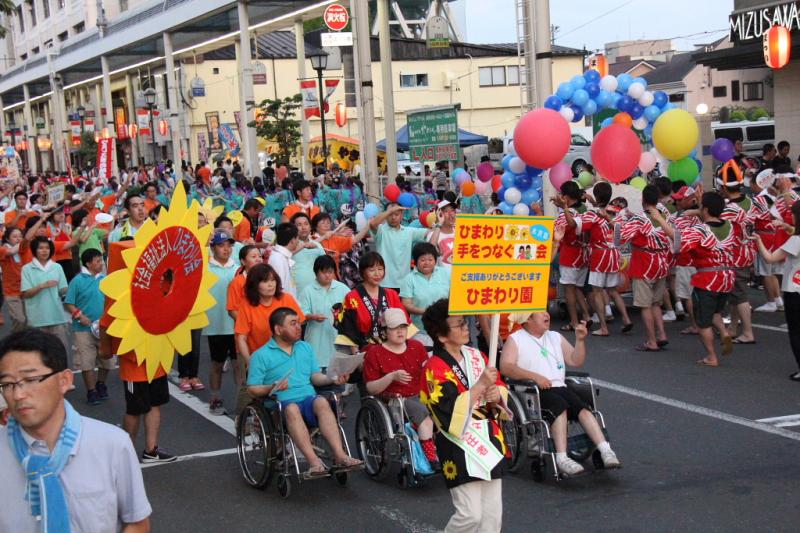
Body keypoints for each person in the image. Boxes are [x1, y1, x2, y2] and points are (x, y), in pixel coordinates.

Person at [0, 328, 152, 532]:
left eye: (30, 380)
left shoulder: (112, 444)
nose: (18, 394)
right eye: (8, 384)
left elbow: (136, 521)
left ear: (64, 381)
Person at [420, 299, 508, 533]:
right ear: (441, 336)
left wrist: (495, 394)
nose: (466, 327)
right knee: (470, 515)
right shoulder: (434, 367)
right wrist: (480, 386)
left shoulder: (477, 355)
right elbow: (445, 410)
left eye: (464, 322)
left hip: (488, 437)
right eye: (459, 325)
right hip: (458, 442)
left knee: (491, 515)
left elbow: (499, 386)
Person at [499, 311, 620, 476]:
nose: (546, 314)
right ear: (527, 320)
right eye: (540, 313)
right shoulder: (516, 339)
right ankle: (562, 458)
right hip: (532, 390)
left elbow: (575, 360)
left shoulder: (555, 336)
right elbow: (506, 367)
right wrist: (535, 377)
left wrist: (580, 340)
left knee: (582, 407)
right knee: (559, 406)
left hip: (559, 386)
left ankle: (605, 449)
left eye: (545, 311)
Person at [247, 307, 363, 476]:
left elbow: (315, 376)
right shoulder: (261, 355)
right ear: (278, 329)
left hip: (307, 399)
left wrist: (332, 378)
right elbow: (252, 388)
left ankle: (340, 455)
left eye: (299, 323)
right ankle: (314, 461)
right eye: (293, 324)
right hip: (280, 405)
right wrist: (271, 387)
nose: (298, 327)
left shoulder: (305, 348)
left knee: (322, 401)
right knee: (292, 408)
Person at [665, 190, 736, 367]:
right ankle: (724, 332)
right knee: (716, 311)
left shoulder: (701, 230)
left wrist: (659, 220)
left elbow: (678, 240)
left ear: (704, 209)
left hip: (708, 278)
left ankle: (711, 356)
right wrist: (700, 211)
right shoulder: (729, 226)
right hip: (727, 277)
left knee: (703, 322)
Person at [363, 308, 439, 468]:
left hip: (421, 393)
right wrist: (391, 376)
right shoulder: (375, 353)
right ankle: (430, 457)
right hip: (395, 399)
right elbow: (370, 387)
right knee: (422, 413)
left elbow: (427, 371)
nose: (400, 331)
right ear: (384, 331)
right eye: (394, 328)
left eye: (403, 327)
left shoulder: (417, 346)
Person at [618, 185, 671, 352]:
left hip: (644, 263)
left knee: (645, 304)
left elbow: (620, 237)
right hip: (661, 262)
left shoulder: (640, 219)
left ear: (643, 200)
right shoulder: (665, 216)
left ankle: (651, 341)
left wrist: (616, 220)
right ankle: (662, 334)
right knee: (656, 302)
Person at [752, 199, 800, 381]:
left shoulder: (796, 241)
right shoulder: (795, 235)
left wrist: (758, 241)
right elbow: (792, 230)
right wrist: (786, 227)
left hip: (794, 290)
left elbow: (770, 258)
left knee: (796, 331)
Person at [577, 182, 633, 336]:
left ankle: (603, 327)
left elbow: (581, 228)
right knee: (613, 290)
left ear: (595, 195)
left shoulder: (592, 214)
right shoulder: (616, 211)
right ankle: (627, 319)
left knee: (597, 291)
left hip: (599, 254)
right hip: (614, 253)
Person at [64, 249, 113, 405]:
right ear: (88, 263)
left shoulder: (105, 280)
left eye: (101, 260)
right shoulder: (77, 281)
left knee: (107, 360)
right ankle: (91, 391)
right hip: (83, 329)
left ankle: (101, 384)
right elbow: (69, 303)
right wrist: (79, 315)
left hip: (104, 328)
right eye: (97, 261)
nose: (101, 264)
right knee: (86, 361)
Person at [234, 263, 305, 366]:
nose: (271, 285)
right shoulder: (246, 305)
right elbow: (241, 338)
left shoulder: (287, 299)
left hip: (288, 358)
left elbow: (299, 328)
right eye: (265, 281)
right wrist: (250, 363)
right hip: (260, 361)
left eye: (273, 280)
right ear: (254, 284)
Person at [203, 230, 242, 416]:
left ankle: (242, 402)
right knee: (217, 363)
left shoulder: (238, 268)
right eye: (221, 245)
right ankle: (215, 397)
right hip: (216, 324)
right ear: (213, 247)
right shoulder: (206, 267)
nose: (226, 249)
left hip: (237, 323)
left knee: (238, 364)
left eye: (229, 245)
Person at [338, 252, 408, 350]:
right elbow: (348, 329)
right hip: (366, 350)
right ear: (362, 272)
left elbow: (404, 323)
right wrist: (356, 355)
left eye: (380, 269)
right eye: (372, 270)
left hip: (392, 349)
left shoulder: (392, 294)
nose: (377, 274)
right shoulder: (351, 297)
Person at [552, 181, 592, 331]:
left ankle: (574, 322)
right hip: (583, 253)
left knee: (569, 289)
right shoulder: (584, 209)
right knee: (578, 288)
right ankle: (586, 316)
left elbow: (559, 231)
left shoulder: (566, 214)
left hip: (570, 254)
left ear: (566, 197)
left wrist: (562, 209)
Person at [298, 255, 350, 371]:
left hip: (338, 340)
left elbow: (352, 309)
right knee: (317, 374)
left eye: (330, 272)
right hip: (316, 341)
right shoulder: (308, 291)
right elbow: (300, 313)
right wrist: (311, 316)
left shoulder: (343, 289)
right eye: (324, 272)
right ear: (316, 273)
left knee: (338, 375)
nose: (328, 275)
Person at [370, 203, 432, 292]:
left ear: (402, 215)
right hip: (383, 282)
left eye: (396, 214)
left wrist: (438, 223)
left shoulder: (408, 231)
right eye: (390, 214)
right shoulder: (381, 230)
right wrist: (391, 210)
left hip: (404, 283)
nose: (393, 217)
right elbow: (372, 224)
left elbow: (429, 232)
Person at [21, 236, 69, 350]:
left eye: (47, 248)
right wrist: (42, 286)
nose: (44, 251)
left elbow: (63, 290)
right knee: (40, 355)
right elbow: (26, 294)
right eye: (41, 248)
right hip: (37, 319)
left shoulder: (57, 267)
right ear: (34, 250)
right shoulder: (27, 269)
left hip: (57, 317)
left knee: (59, 352)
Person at [400, 242, 451, 347]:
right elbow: (406, 304)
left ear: (435, 260)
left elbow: (453, 296)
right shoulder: (409, 279)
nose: (427, 263)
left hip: (446, 326)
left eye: (430, 259)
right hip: (420, 329)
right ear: (415, 261)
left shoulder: (445, 273)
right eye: (422, 260)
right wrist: (426, 312)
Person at [290, 212, 326, 296]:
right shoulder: (290, 245)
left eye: (306, 224)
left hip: (318, 290)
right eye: (299, 224)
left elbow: (326, 264)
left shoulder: (317, 245)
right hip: (297, 291)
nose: (303, 227)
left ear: (310, 227)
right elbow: (285, 256)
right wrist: (303, 246)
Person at [0, 227, 27, 331]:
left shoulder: (23, 250)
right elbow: (10, 252)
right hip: (11, 290)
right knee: (19, 319)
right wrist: (26, 240)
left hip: (25, 288)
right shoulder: (2, 249)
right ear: (7, 239)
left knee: (27, 321)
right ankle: (15, 340)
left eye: (20, 236)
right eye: (15, 236)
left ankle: (22, 341)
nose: (18, 238)